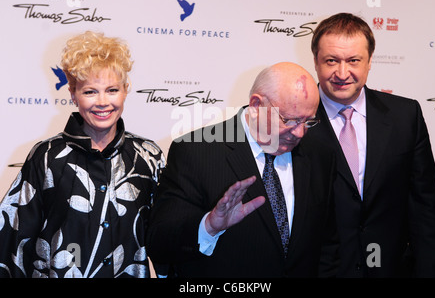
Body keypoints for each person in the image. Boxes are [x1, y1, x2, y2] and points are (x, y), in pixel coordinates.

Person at [147, 62, 338, 277]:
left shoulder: (319, 155)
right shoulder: (196, 152)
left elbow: (327, 244)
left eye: (308, 121)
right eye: (290, 120)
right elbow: (160, 242)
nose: (300, 133)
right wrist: (208, 226)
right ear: (256, 105)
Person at [0, 31, 165, 278]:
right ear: (73, 93)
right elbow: (12, 243)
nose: (102, 102)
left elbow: (166, 239)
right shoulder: (46, 157)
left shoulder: (148, 157)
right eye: (90, 92)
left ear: (126, 90)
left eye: (112, 90)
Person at [305, 12, 435, 277]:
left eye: (354, 60)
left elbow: (426, 213)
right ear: (315, 62)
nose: (342, 73)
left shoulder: (406, 116)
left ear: (370, 62)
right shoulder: (292, 120)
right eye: (331, 61)